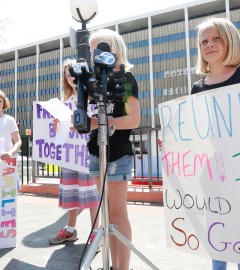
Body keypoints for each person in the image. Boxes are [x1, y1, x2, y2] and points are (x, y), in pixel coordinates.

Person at [159, 17, 240, 270]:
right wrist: (171, 143)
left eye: (216, 39)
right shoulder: (197, 88)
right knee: (218, 242)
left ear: (229, 41)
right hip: (213, 176)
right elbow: (194, 134)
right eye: (204, 41)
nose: (209, 45)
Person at [86, 28, 140, 270]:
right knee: (106, 214)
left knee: (117, 214)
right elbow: (94, 120)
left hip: (117, 153)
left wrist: (102, 123)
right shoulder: (94, 81)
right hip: (98, 151)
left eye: (99, 48)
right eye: (91, 50)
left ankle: (122, 268)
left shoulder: (126, 79)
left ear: (115, 50)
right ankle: (110, 265)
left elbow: (133, 120)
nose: (94, 54)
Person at [48, 59, 100, 245]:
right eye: (67, 74)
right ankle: (71, 229)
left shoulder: (92, 97)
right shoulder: (65, 101)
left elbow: (98, 123)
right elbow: (60, 129)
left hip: (88, 151)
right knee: (72, 192)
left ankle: (96, 231)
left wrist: (79, 125)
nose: (70, 77)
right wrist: (57, 125)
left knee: (93, 193)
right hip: (70, 153)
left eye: (73, 72)